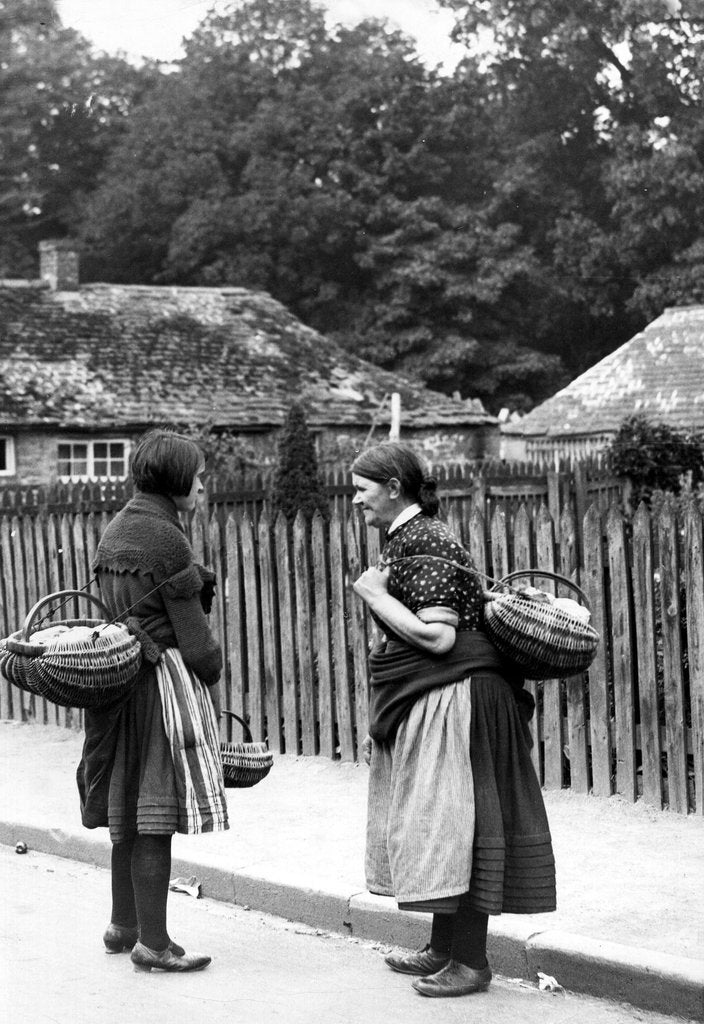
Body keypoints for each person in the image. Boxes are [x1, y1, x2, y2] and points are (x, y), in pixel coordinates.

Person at [351, 442, 555, 998]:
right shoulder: (409, 538)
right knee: (444, 819)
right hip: (445, 694)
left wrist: (372, 593)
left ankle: (471, 962)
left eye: (362, 488)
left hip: (463, 698)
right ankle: (442, 949)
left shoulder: (426, 541)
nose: (356, 499)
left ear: (394, 487)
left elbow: (438, 637)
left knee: (464, 825)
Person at [76, 429, 228, 973]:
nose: (204, 485)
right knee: (155, 812)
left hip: (116, 687)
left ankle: (124, 924)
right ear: (176, 479)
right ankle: (154, 944)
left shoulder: (116, 528)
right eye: (199, 475)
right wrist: (212, 669)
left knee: (127, 806)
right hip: (157, 685)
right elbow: (196, 642)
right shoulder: (167, 539)